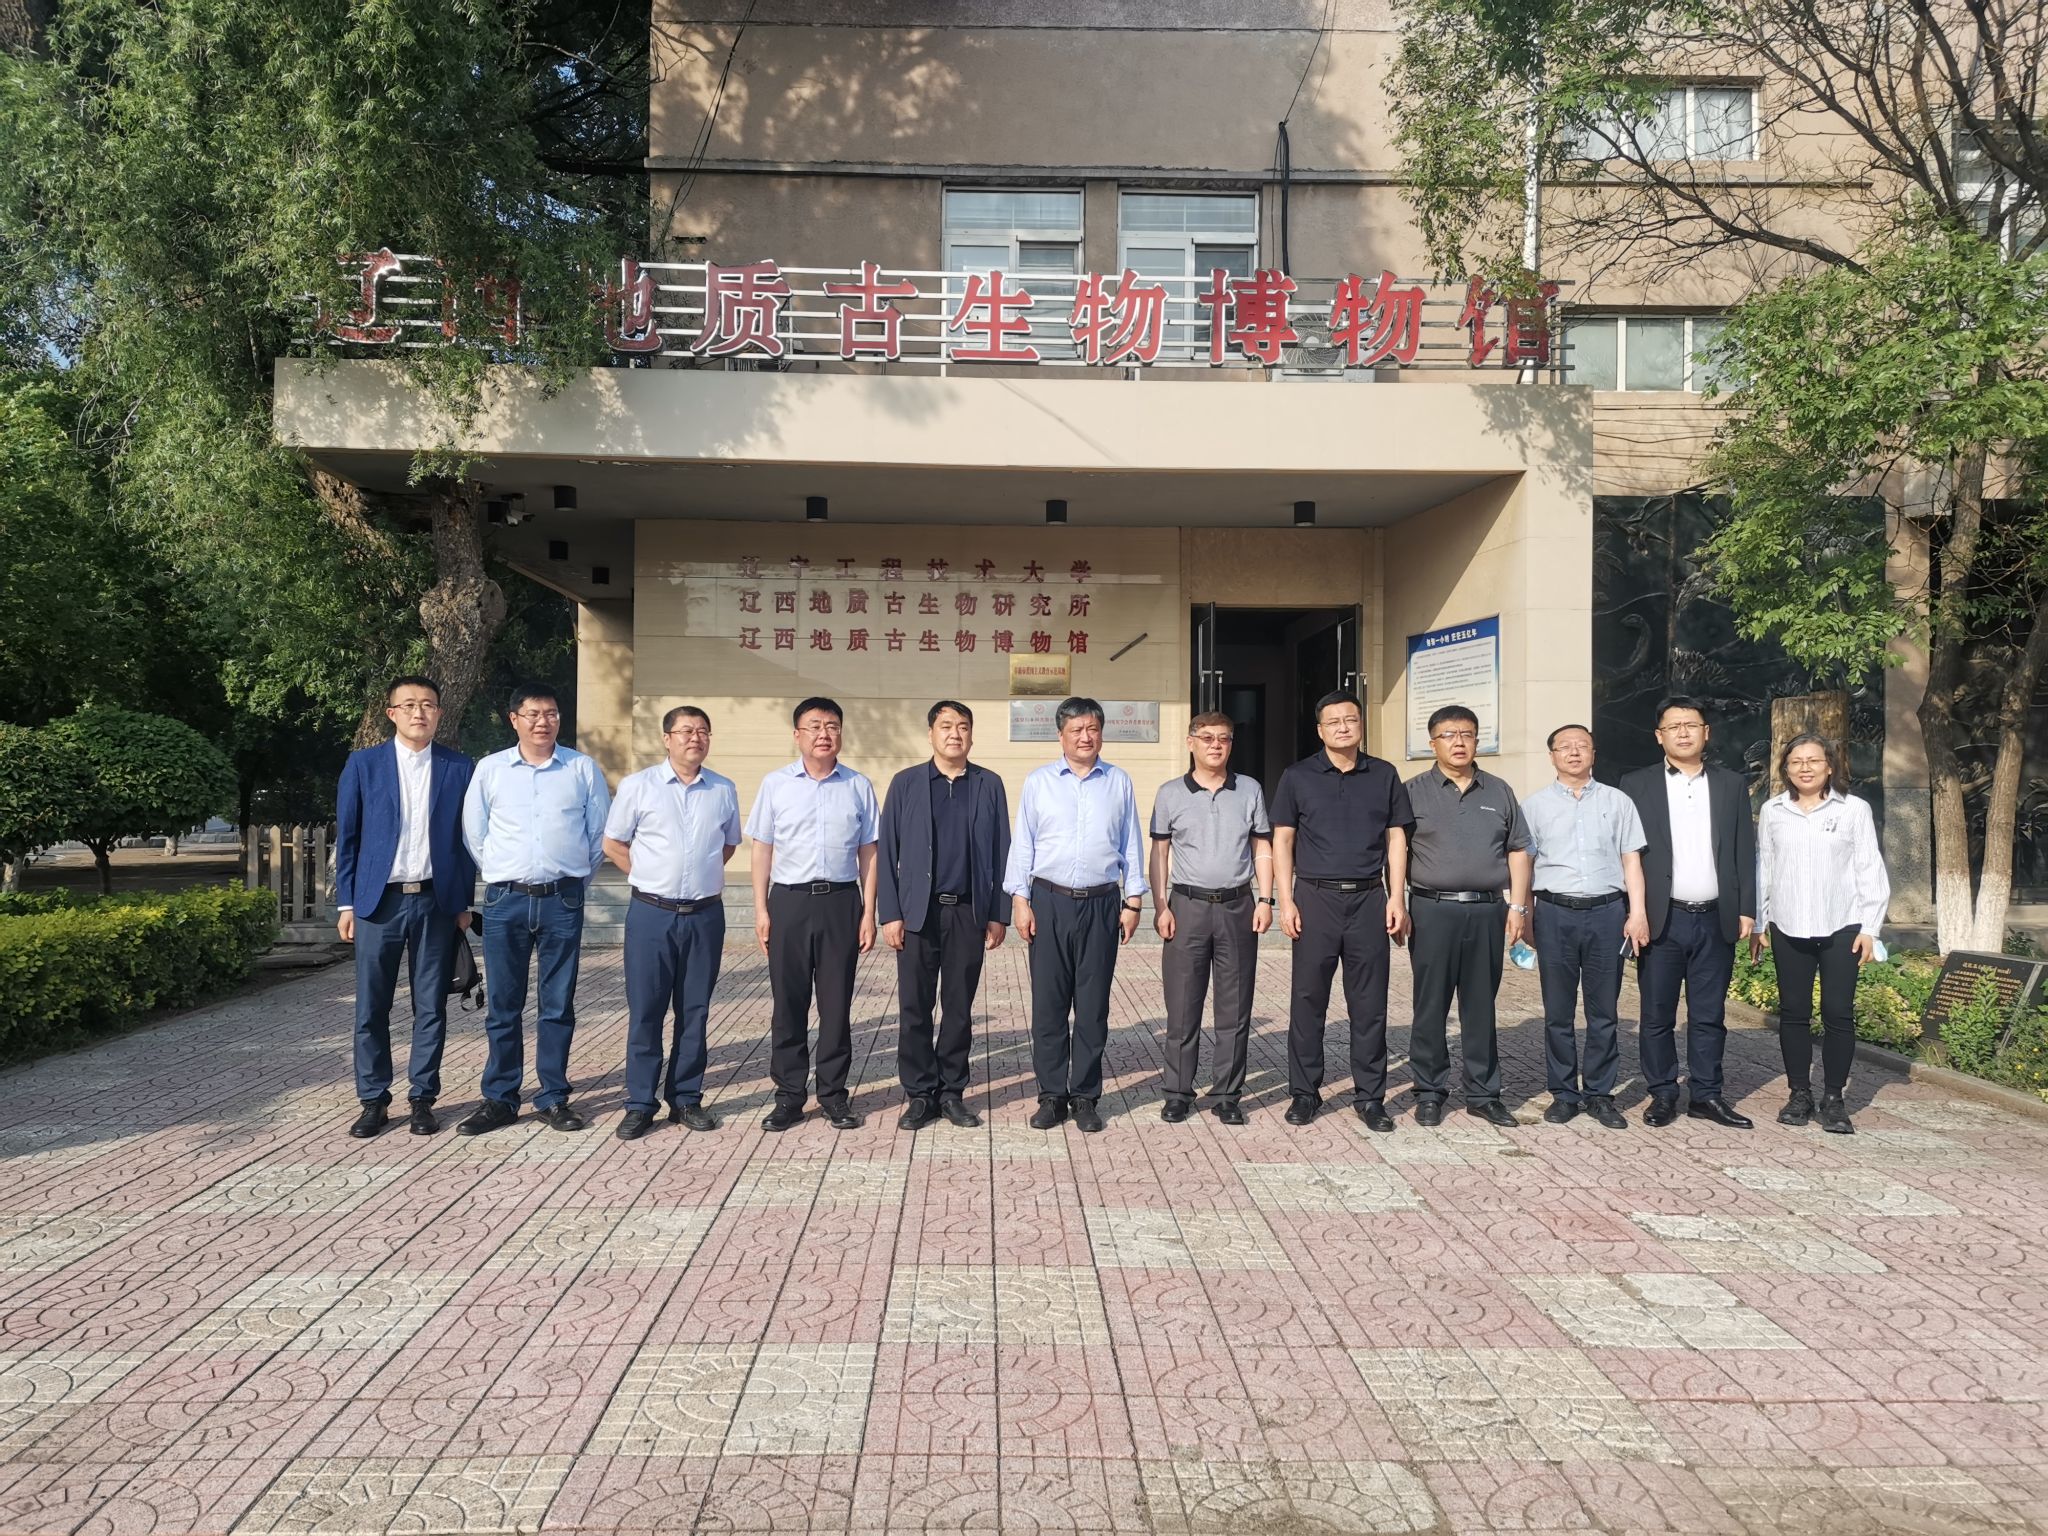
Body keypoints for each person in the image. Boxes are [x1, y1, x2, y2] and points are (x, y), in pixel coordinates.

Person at [458, 683, 611, 1134]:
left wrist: (573, 879)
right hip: (505, 899)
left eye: (552, 713)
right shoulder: (491, 769)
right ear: (514, 719)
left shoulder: (581, 768)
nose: (544, 722)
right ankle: (500, 1098)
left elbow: (598, 834)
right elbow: (474, 832)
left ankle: (553, 1097)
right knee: (503, 1004)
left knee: (557, 1003)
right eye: (534, 714)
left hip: (562, 899)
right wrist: (503, 872)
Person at [333, 675, 476, 1138]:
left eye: (428, 705)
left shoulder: (459, 767)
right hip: (379, 904)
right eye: (409, 705)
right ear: (391, 713)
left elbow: (466, 842)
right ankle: (373, 1099)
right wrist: (347, 903)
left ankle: (422, 1098)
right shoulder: (363, 765)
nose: (419, 712)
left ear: (439, 713)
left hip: (436, 901)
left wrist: (463, 903)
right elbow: (348, 838)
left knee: (430, 1005)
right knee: (371, 1006)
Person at [1269, 691, 1413, 1131]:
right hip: (1315, 899)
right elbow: (1283, 841)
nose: (1343, 727)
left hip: (1369, 899)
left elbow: (1396, 839)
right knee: (1307, 1000)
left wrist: (1397, 896)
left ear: (1361, 724)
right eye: (1333, 722)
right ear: (1320, 730)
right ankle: (1304, 1092)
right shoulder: (1297, 776)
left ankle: (1370, 1097)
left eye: (1350, 719)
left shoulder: (1384, 774)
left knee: (1369, 1004)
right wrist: (1286, 900)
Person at [1005, 696, 1148, 1133]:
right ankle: (1052, 1095)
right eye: (1076, 730)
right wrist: (1020, 899)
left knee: (1092, 1006)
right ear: (1061, 735)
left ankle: (1085, 1096)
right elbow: (1023, 844)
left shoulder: (1118, 781)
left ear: (1101, 732)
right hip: (1049, 902)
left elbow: (1130, 843)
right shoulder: (1039, 782)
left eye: (1092, 729)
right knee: (1049, 1007)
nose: (1085, 737)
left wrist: (1134, 900)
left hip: (1102, 903)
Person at [601, 705, 742, 1140]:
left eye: (702, 731)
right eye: (685, 731)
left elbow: (728, 846)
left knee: (695, 1010)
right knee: (646, 1010)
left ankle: (685, 1098)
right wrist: (649, 877)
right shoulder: (638, 786)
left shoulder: (723, 789)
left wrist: (697, 879)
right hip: (651, 915)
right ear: (667, 739)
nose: (694, 738)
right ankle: (640, 1102)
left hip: (704, 916)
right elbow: (613, 843)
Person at [1619, 696, 1758, 1129]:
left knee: (1709, 1015)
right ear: (1659, 736)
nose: (1683, 733)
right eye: (1673, 726)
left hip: (1716, 917)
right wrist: (1634, 912)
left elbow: (1744, 849)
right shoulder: (1635, 784)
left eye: (1691, 725)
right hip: (1662, 919)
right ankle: (1662, 1092)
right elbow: (1626, 854)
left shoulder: (1731, 784)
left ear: (1706, 732)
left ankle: (1707, 1095)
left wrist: (1747, 909)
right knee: (1656, 1014)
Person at [875, 701, 1011, 1131]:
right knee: (915, 1007)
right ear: (931, 733)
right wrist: (890, 913)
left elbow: (1002, 850)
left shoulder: (989, 784)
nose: (955, 733)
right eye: (946, 726)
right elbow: (887, 851)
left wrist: (999, 912)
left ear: (971, 735)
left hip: (968, 912)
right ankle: (919, 1094)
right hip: (918, 913)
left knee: (958, 1008)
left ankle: (951, 1092)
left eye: (963, 726)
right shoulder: (906, 783)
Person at [747, 697, 880, 1132]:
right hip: (789, 902)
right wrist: (761, 908)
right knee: (789, 1003)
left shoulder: (858, 785)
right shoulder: (776, 784)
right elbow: (762, 848)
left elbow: (869, 852)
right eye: (815, 726)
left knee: (836, 1004)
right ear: (797, 734)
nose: (825, 734)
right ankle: (789, 1096)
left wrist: (869, 912)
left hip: (841, 902)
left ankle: (833, 1095)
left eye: (833, 726)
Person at [1754, 732, 1890, 1135]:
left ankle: (1833, 1099)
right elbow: (1765, 868)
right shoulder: (1773, 810)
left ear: (1830, 766)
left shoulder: (1853, 809)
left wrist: (1871, 928)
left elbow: (1869, 867)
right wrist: (1760, 922)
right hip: (1788, 925)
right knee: (1794, 1013)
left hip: (1842, 925)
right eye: (1796, 762)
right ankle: (1799, 1093)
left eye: (1813, 760)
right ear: (1786, 769)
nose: (1805, 768)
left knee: (1838, 1013)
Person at [1403, 704, 1532, 1127]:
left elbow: (1518, 850)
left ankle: (1483, 1093)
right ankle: (1429, 1091)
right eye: (1449, 735)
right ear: (1432, 743)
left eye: (1467, 734)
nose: (1458, 742)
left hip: (1487, 909)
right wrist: (1396, 903)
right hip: (1431, 910)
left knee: (1480, 1005)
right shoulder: (1412, 791)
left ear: (1477, 740)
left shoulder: (1498, 791)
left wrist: (1518, 906)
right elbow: (1395, 850)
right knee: (1430, 1004)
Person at [1149, 711, 1274, 1125]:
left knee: (1234, 1008)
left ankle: (1227, 1094)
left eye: (1223, 738)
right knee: (1182, 1006)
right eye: (1207, 738)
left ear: (1231, 744)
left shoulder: (1249, 790)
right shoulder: (1170, 793)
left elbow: (1261, 846)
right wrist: (1161, 906)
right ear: (1191, 743)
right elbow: (1160, 852)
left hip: (1238, 906)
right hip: (1187, 907)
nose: (1215, 745)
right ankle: (1177, 1092)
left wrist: (1265, 898)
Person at [1522, 724, 1648, 1131]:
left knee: (1604, 1010)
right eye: (1565, 747)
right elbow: (1524, 865)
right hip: (1554, 913)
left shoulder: (1618, 801)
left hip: (1607, 913)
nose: (1574, 753)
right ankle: (1563, 1093)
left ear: (1594, 753)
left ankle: (1599, 1094)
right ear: (1552, 756)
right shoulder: (1534, 806)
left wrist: (1637, 913)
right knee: (1558, 1011)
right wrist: (1524, 914)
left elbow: (1631, 861)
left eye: (1582, 746)